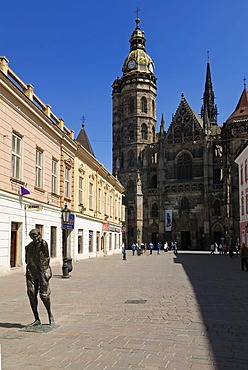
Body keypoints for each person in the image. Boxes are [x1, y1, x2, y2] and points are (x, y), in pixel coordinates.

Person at [25, 229, 54, 326]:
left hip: (42, 272)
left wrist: (45, 272)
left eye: (36, 236)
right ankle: (37, 319)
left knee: (44, 296)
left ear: (39, 235)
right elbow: (27, 260)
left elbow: (47, 258)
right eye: (33, 236)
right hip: (31, 272)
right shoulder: (28, 247)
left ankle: (50, 315)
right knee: (31, 294)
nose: (35, 238)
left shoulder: (43, 244)